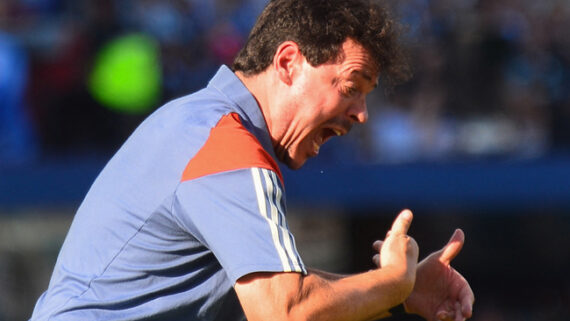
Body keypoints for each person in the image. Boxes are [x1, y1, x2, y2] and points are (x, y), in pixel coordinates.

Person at [30, 0, 474, 320]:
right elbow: (286, 311)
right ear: (288, 63)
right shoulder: (227, 145)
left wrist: (395, 294)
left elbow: (280, 293)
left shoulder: (201, 123)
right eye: (351, 85)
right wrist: (392, 283)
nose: (362, 113)